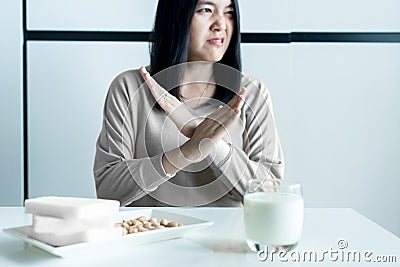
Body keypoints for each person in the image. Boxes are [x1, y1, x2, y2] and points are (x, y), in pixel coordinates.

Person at [93, 0, 284, 207]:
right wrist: (184, 154)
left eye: (229, 12)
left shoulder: (251, 93)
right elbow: (108, 190)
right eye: (207, 10)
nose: (221, 24)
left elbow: (269, 192)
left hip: (226, 239)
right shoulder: (129, 88)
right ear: (176, 18)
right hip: (149, 237)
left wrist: (209, 142)